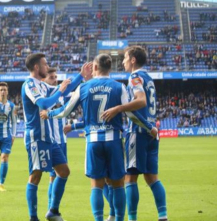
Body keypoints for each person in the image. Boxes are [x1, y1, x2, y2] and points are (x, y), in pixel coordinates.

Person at [40, 54, 157, 221]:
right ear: (109, 68)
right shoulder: (119, 87)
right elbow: (132, 114)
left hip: (93, 141)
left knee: (96, 185)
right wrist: (149, 127)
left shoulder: (84, 87)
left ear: (94, 68)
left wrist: (48, 113)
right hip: (114, 141)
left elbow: (65, 110)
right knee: (117, 185)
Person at [21, 52, 92, 221]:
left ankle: (53, 211)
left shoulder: (43, 86)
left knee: (64, 171)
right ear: (37, 67)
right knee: (35, 176)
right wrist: (59, 91)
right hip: (36, 138)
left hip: (50, 139)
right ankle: (33, 217)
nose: (47, 66)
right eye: (45, 64)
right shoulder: (29, 84)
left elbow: (65, 90)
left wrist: (81, 75)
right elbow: (44, 104)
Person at [102, 46, 167, 221]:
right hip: (152, 132)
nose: (122, 61)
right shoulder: (149, 78)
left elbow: (140, 101)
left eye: (124, 58)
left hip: (138, 131)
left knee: (130, 178)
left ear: (132, 60)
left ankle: (132, 218)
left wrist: (118, 108)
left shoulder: (134, 77)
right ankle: (163, 216)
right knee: (152, 177)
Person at [43, 68, 69, 210]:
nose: (55, 80)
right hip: (52, 142)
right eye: (52, 78)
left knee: (60, 176)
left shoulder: (62, 96)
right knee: (53, 177)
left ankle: (53, 208)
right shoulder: (45, 97)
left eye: (56, 77)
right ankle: (51, 208)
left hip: (63, 140)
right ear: (45, 80)